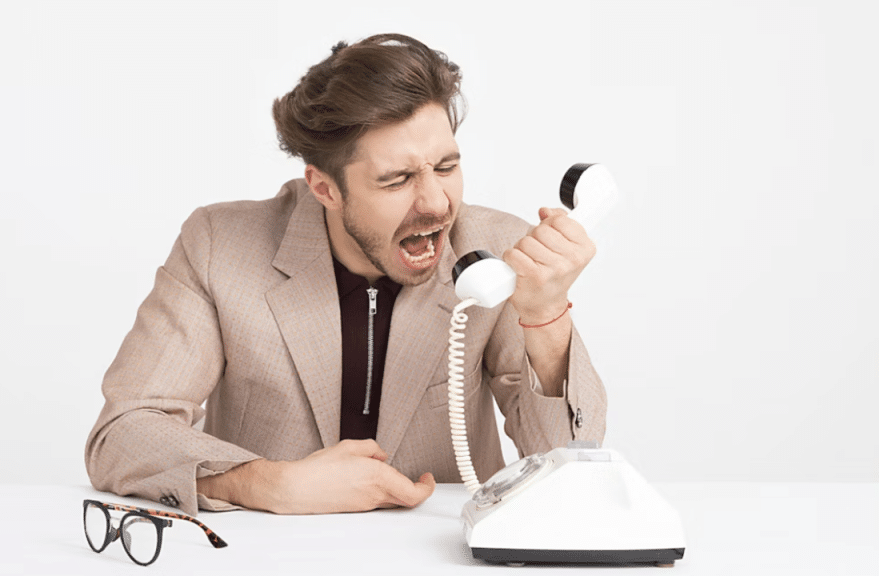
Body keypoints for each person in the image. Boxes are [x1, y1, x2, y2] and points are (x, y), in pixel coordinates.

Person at [85, 33, 606, 516]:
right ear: (325, 189)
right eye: (397, 179)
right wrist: (267, 484)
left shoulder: (495, 250)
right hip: (267, 557)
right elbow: (124, 433)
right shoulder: (219, 244)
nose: (436, 203)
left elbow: (570, 466)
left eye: (446, 167)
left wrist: (545, 317)